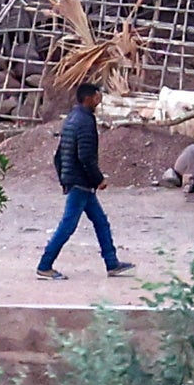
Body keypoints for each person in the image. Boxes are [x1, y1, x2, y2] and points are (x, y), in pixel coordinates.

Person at [38, 76, 129, 278]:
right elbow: (86, 156)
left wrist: (65, 178)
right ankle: (45, 265)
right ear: (88, 98)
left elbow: (59, 155)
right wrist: (98, 179)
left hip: (77, 181)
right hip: (81, 183)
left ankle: (112, 263)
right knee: (68, 226)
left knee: (100, 222)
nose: (100, 100)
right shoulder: (85, 121)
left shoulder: (72, 118)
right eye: (98, 96)